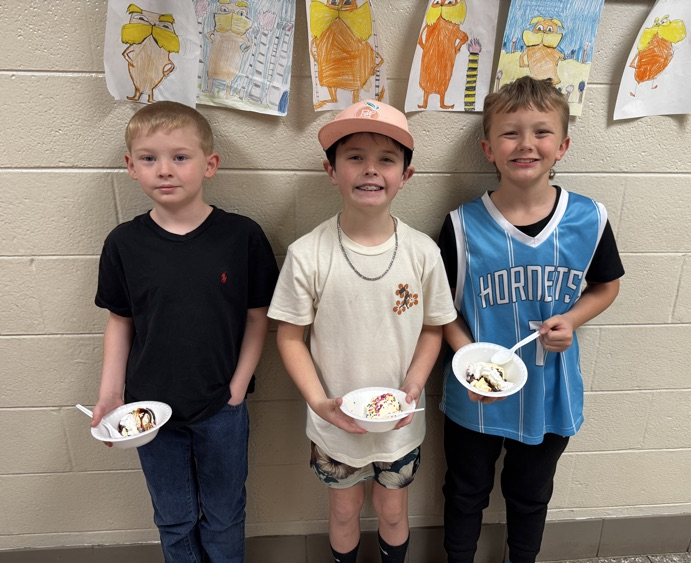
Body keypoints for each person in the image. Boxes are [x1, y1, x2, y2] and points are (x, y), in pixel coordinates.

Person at [439, 76, 624, 563]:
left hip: (549, 390)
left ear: (562, 145)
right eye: (510, 133)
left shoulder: (590, 218)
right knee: (464, 493)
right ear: (487, 148)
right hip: (474, 393)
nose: (525, 144)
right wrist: (470, 359)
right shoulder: (461, 224)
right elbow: (441, 313)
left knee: (530, 496)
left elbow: (606, 286)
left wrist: (572, 319)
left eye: (541, 132)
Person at [268, 100, 457, 563]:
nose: (370, 170)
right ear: (331, 170)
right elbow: (289, 337)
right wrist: (319, 403)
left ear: (406, 175)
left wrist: (414, 383)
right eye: (354, 156)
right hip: (334, 424)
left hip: (399, 423)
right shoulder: (307, 253)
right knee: (344, 511)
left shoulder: (423, 252)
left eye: (386, 159)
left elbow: (434, 327)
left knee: (393, 512)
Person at [92, 101, 279, 562]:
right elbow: (120, 320)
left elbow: (259, 317)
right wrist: (110, 393)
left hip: (221, 408)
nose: (165, 170)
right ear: (130, 167)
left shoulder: (242, 236)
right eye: (149, 158)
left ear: (209, 165)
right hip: (149, 413)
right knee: (173, 518)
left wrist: (237, 388)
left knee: (224, 514)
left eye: (180, 156)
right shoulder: (123, 244)